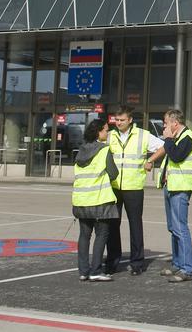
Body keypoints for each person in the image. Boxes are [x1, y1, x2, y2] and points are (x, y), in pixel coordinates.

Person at [105, 106, 166, 275]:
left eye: (122, 120)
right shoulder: (110, 136)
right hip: (114, 187)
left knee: (135, 225)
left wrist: (151, 160)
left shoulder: (142, 135)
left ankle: (137, 263)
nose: (118, 123)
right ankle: (112, 261)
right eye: (116, 120)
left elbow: (164, 146)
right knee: (112, 225)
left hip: (134, 188)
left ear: (130, 120)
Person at [72, 118, 119, 281]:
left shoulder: (80, 151)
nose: (108, 132)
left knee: (84, 235)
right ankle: (96, 271)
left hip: (81, 200)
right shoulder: (104, 150)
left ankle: (83, 271)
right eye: (106, 130)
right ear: (98, 132)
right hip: (100, 200)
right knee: (102, 234)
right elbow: (114, 173)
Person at [159, 107, 192, 283]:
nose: (164, 127)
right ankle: (177, 263)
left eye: (166, 123)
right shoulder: (177, 138)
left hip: (181, 188)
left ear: (175, 123)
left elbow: (176, 157)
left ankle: (187, 269)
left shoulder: (188, 137)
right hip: (171, 186)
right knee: (173, 227)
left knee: (180, 228)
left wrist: (168, 139)